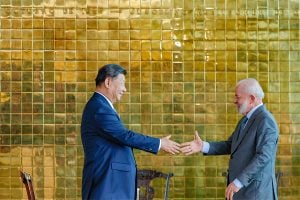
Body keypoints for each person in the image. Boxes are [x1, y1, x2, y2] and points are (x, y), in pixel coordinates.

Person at [80, 64, 180, 200]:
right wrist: (159, 143)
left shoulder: (100, 105)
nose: (124, 89)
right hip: (107, 186)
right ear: (108, 82)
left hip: (112, 186)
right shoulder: (99, 108)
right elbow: (124, 136)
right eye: (122, 83)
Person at [181, 78, 279, 200]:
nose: (235, 101)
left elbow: (264, 156)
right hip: (243, 191)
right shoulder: (245, 120)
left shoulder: (266, 120)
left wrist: (239, 182)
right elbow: (231, 145)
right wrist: (203, 146)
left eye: (238, 97)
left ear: (252, 98)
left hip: (256, 192)